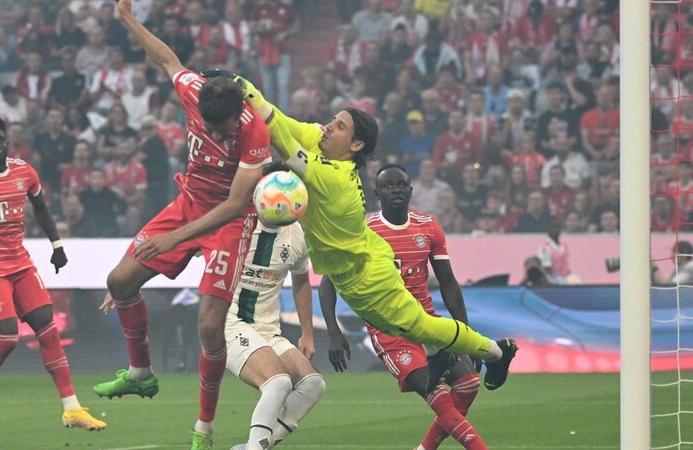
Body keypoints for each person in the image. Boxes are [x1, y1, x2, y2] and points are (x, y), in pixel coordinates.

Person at [233, 71, 518, 400]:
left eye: (339, 127)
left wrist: (249, 93)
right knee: (408, 326)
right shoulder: (323, 143)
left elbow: (281, 139)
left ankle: (497, 352)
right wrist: (247, 89)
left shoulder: (333, 176)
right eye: (333, 120)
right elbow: (283, 122)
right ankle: (439, 353)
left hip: (365, 277)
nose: (327, 127)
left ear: (355, 145)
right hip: (366, 255)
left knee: (418, 325)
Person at [93, 2, 271, 450]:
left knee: (209, 328)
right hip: (188, 202)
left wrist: (172, 239)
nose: (216, 131)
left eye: (222, 125)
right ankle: (140, 374)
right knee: (119, 280)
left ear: (239, 111)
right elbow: (167, 58)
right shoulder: (195, 90)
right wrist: (128, 20)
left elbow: (234, 205)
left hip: (228, 223)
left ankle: (204, 429)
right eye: (208, 125)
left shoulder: (254, 133)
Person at [0, 116, 105, 430]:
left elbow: (41, 209)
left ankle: (72, 408)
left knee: (48, 330)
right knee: (9, 337)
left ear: (7, 142)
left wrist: (57, 245)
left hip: (20, 262)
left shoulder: (24, 171)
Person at [321, 164, 488, 450]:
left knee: (469, 384)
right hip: (390, 332)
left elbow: (448, 283)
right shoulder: (363, 231)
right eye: (389, 186)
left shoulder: (428, 227)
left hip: (427, 323)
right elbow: (327, 283)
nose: (396, 190)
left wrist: (465, 334)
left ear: (410, 191)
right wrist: (334, 332)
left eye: (401, 185)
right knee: (436, 393)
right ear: (377, 193)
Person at [221, 166, 325, 450]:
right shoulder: (235, 223)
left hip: (268, 330)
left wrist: (307, 333)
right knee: (278, 383)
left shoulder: (297, 234)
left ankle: (254, 447)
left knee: (313, 385)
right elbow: (184, 245)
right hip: (229, 323)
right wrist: (130, 285)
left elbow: (301, 280)